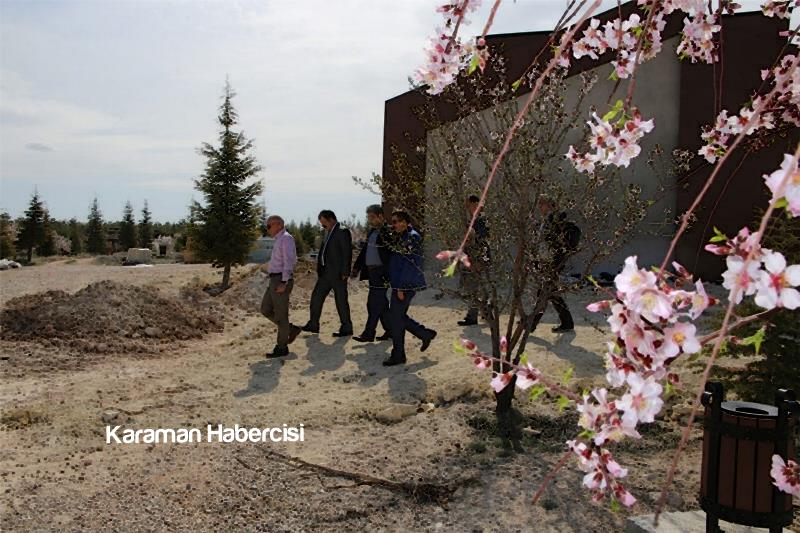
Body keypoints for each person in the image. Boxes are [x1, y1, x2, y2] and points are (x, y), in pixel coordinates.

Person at [383, 210, 437, 367]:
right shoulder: (402, 236)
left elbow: (410, 264)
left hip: (405, 285)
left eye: (397, 221)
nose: (394, 225)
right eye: (393, 222)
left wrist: (401, 287)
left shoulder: (412, 237)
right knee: (397, 317)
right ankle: (423, 335)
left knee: (396, 318)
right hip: (399, 284)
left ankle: (400, 353)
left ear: (405, 222)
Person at [301, 210, 354, 337]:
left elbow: (347, 252)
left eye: (324, 223)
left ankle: (346, 327)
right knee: (316, 298)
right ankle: (313, 324)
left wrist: (345, 271)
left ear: (331, 219)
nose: (323, 226)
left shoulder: (342, 231)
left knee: (341, 301)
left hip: (338, 274)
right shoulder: (328, 232)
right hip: (325, 274)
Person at [537, 197, 581, 332]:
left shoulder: (554, 220)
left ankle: (531, 322)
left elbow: (552, 241)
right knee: (550, 291)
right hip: (548, 261)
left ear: (549, 205)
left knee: (546, 290)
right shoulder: (547, 220)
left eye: (542, 204)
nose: (539, 207)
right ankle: (567, 323)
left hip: (553, 261)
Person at [260, 215, 302, 358]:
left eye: (269, 226)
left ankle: (282, 347)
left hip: (280, 280)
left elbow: (289, 262)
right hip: (274, 279)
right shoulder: (279, 239)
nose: (267, 229)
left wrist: (284, 282)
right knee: (265, 309)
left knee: (281, 315)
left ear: (278, 225)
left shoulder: (286, 238)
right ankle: (290, 329)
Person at [351, 204, 392, 342]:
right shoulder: (372, 232)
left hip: (382, 273)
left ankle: (369, 333)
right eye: (368, 217)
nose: (370, 220)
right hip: (372, 273)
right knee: (381, 304)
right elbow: (365, 251)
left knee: (373, 304)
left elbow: (391, 254)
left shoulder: (387, 232)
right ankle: (391, 330)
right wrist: (356, 268)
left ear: (380, 216)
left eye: (372, 217)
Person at [458, 194, 490, 326]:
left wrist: (477, 260)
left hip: (477, 258)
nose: (468, 207)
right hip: (473, 258)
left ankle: (474, 316)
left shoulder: (480, 221)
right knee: (476, 287)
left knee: (474, 288)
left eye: (469, 204)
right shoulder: (475, 220)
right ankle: (486, 312)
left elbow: (481, 242)